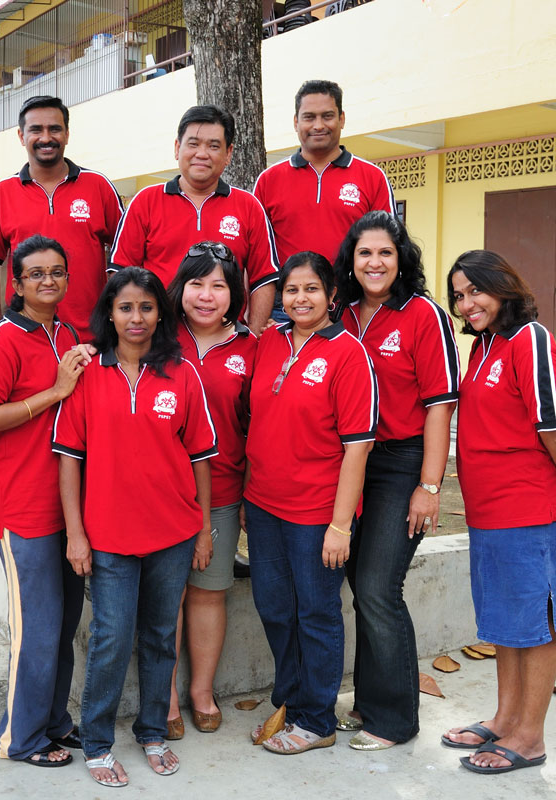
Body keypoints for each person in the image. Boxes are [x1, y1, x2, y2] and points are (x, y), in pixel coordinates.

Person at [55, 267, 217, 788]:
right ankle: (97, 743)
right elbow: (69, 459)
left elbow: (200, 458)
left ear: (160, 314)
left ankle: (151, 731)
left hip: (173, 533)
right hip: (107, 537)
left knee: (160, 637)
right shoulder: (88, 373)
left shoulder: (182, 373)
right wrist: (75, 533)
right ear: (109, 312)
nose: (136, 317)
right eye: (125, 307)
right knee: (111, 637)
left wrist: (204, 529)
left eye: (146, 307)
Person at [443, 250, 556, 775]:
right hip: (488, 511)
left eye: (475, 291)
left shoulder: (531, 340)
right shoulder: (484, 346)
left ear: (503, 286)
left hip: (526, 506)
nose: (467, 304)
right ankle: (506, 719)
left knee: (536, 622)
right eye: (458, 296)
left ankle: (530, 737)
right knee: (506, 622)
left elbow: (555, 427)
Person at [334, 211, 459, 750]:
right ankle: (368, 702)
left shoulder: (423, 315)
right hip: (348, 463)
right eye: (365, 253)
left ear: (401, 258)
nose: (375, 262)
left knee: (379, 587)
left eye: (385, 252)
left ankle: (395, 720)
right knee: (360, 585)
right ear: (352, 260)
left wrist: (429, 486)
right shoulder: (340, 313)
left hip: (400, 462)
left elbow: (440, 406)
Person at [243, 251, 377, 755]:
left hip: (317, 513)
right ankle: (290, 702)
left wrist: (340, 526)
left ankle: (317, 719)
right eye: (292, 290)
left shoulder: (348, 354)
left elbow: (358, 447)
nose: (300, 299)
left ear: (332, 295)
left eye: (312, 289)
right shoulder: (270, 342)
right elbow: (258, 421)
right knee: (274, 608)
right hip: (264, 505)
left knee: (316, 613)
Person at [0, 234, 88, 768]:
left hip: (70, 505)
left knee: (62, 626)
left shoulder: (67, 333)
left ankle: (53, 721)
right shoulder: (3, 338)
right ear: (15, 283)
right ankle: (20, 739)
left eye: (57, 271)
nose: (48, 280)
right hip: (24, 503)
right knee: (37, 629)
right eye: (36, 273)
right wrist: (54, 392)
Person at [163, 242, 257, 739]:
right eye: (196, 283)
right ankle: (165, 697)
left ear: (233, 293)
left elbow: (257, 424)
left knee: (208, 593)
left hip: (221, 490)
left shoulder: (250, 347)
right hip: (160, 494)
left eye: (218, 285)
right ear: (180, 289)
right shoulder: (157, 336)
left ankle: (201, 691)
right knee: (167, 597)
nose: (206, 295)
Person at [112, 105, 278, 334]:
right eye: (193, 144)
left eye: (213, 146)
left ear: (228, 153)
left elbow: (264, 278)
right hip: (158, 339)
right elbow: (120, 273)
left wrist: (253, 338)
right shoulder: (145, 201)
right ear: (177, 148)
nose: (202, 153)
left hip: (226, 342)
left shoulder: (249, 206)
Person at [0, 95, 124, 338]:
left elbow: (125, 257)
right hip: (24, 339)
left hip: (92, 340)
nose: (46, 138)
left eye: (54, 129)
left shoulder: (99, 186)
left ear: (67, 134)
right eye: (36, 130)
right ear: (21, 136)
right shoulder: (2, 193)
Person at [253, 80, 395, 322]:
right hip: (286, 310)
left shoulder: (372, 178)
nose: (318, 125)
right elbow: (256, 258)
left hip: (352, 306)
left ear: (341, 119)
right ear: (296, 122)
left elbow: (389, 248)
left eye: (327, 116)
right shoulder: (269, 180)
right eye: (309, 117)